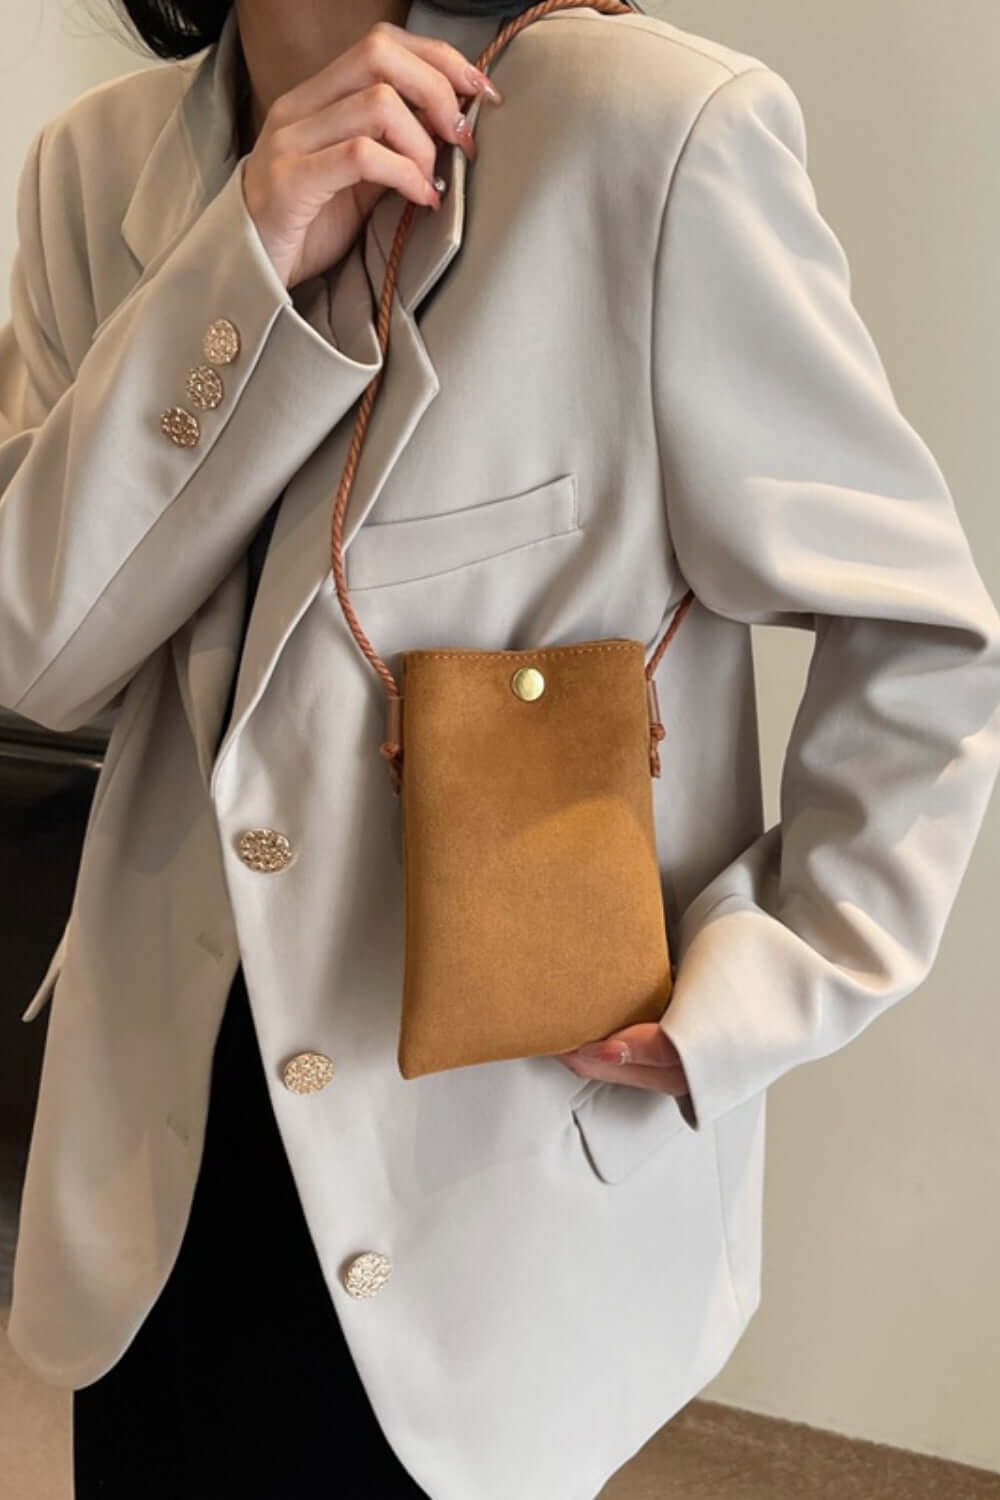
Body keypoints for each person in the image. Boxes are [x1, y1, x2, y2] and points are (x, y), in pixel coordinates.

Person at [4, 0, 1000, 1496]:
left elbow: (921, 633)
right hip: (155, 1158)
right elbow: (44, 654)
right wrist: (245, 262)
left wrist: (768, 977)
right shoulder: (100, 167)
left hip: (494, 1167)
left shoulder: (644, 129)